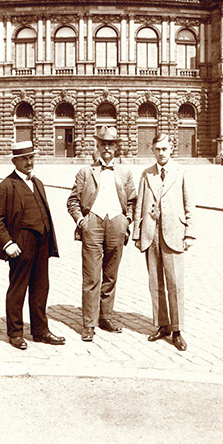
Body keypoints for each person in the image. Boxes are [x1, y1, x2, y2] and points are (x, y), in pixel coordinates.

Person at [0, 140, 65, 350]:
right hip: (20, 244)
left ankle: (40, 331)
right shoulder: (5, 186)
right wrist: (7, 244)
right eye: (24, 158)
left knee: (41, 288)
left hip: (41, 243)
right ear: (15, 161)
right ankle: (15, 333)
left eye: (31, 157)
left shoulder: (38, 182)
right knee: (18, 288)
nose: (29, 162)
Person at [67, 126, 137, 342]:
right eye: (103, 144)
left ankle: (105, 316)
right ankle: (89, 323)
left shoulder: (125, 173)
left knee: (110, 275)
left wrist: (127, 220)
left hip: (116, 223)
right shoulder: (85, 172)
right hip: (93, 224)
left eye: (111, 144)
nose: (107, 147)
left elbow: (133, 201)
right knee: (91, 276)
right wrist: (81, 221)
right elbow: (72, 200)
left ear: (116, 147)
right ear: (97, 146)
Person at [132, 134, 195, 351]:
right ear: (152, 150)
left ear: (171, 149)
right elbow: (139, 204)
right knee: (155, 284)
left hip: (174, 234)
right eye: (158, 149)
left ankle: (177, 330)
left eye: (165, 149)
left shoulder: (180, 172)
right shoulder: (146, 174)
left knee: (174, 284)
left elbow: (189, 205)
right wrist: (137, 234)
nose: (161, 153)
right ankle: (162, 325)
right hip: (151, 235)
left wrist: (189, 233)